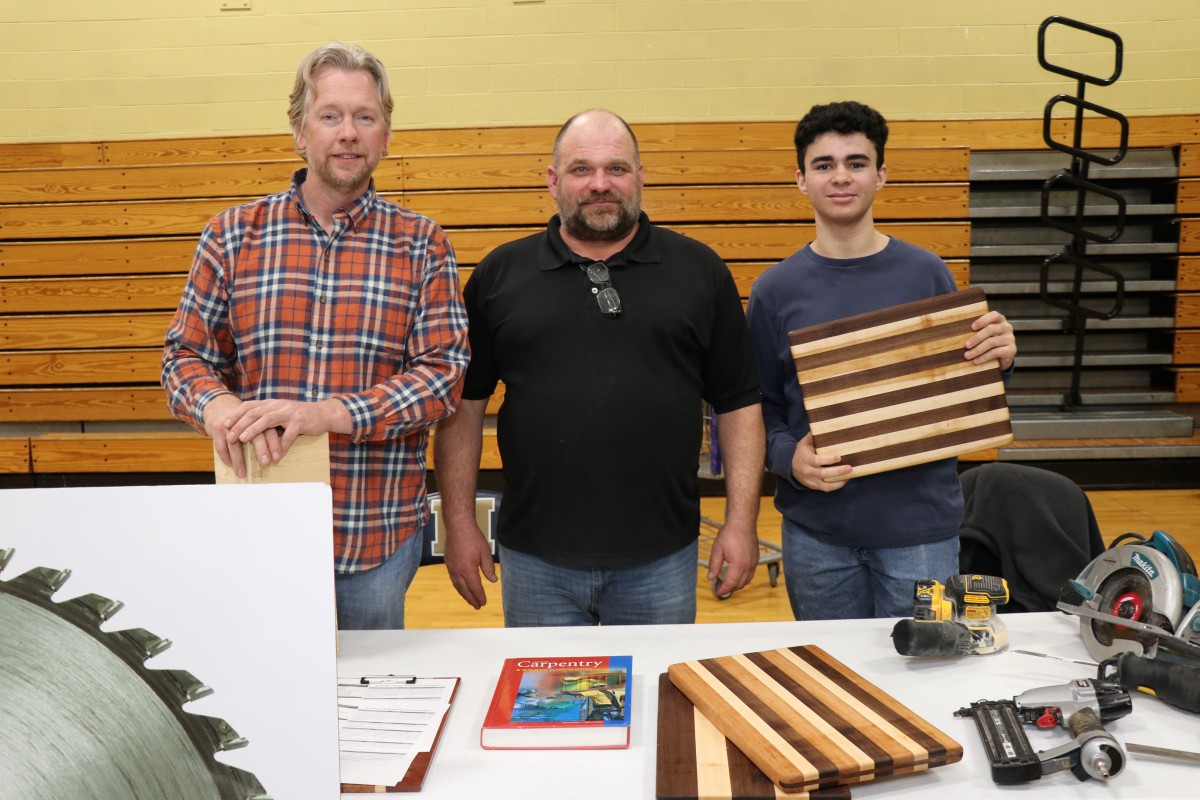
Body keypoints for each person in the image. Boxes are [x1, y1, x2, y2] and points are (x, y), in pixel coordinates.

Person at [161, 43, 469, 630]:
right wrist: (219, 405)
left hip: (373, 537)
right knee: (262, 708)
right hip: (260, 532)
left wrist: (324, 414)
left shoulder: (421, 243)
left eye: (365, 117)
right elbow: (184, 358)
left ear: (385, 134)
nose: (348, 133)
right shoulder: (233, 234)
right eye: (330, 115)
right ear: (300, 131)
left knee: (368, 710)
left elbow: (442, 377)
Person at [433, 108, 765, 627]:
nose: (600, 184)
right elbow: (463, 406)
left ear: (640, 176)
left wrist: (741, 522)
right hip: (536, 560)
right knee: (545, 708)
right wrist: (458, 522)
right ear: (553, 181)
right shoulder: (500, 274)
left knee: (659, 702)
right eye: (581, 169)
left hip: (662, 558)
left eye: (616, 168)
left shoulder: (699, 271)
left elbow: (739, 403)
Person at [746, 100, 1017, 620]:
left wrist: (999, 358)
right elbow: (761, 406)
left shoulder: (926, 273)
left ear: (881, 174)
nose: (840, 176)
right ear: (800, 179)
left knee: (926, 676)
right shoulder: (775, 291)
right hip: (816, 533)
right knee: (832, 683)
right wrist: (789, 459)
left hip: (919, 533)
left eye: (856, 162)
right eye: (824, 164)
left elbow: (963, 387)